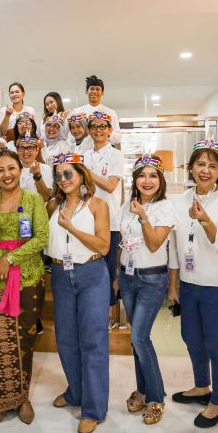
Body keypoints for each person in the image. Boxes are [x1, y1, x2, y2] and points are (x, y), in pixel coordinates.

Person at [167, 140, 218, 428]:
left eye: (213, 166)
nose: (205, 170)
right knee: (191, 339)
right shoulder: (180, 200)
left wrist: (205, 220)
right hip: (190, 283)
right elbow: (175, 246)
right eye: (200, 163)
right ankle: (202, 388)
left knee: (216, 344)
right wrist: (173, 285)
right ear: (190, 167)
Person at [0, 150, 48, 426]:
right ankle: (3, 401)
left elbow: (41, 238)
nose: (7, 174)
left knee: (24, 339)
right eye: (0, 170)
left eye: (11, 168)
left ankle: (22, 398)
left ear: (20, 170)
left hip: (28, 278)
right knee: (0, 340)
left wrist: (10, 259)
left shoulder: (33, 200)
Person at [46, 153, 111, 433]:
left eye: (68, 173)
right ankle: (76, 392)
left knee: (93, 342)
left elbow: (104, 246)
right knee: (66, 339)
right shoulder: (52, 205)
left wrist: (71, 227)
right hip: (61, 274)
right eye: (58, 175)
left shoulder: (97, 205)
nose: (63, 179)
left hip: (91, 274)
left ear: (82, 175)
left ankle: (93, 409)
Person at [118, 155, 177, 425]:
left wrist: (143, 217)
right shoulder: (126, 206)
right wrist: (118, 275)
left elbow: (154, 244)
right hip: (128, 277)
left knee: (140, 338)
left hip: (152, 280)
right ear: (135, 180)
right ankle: (142, 390)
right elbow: (122, 242)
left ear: (161, 180)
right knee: (136, 339)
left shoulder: (165, 207)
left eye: (153, 176)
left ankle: (156, 397)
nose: (147, 181)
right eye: (142, 175)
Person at [84, 111, 124, 314]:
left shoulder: (116, 155)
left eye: (102, 126)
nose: (98, 130)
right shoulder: (85, 156)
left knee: (108, 271)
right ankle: (92, 311)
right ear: (89, 131)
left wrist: (87, 173)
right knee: (89, 268)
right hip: (86, 221)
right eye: (94, 126)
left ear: (109, 130)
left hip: (111, 222)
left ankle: (107, 316)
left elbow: (110, 185)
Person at [72, 76, 121, 145]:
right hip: (83, 150)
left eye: (98, 89)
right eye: (92, 89)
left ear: (102, 92)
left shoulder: (110, 113)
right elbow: (71, 137)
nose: (94, 91)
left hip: (104, 150)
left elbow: (117, 139)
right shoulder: (77, 112)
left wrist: (106, 128)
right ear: (86, 91)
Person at [16, 136, 53, 201]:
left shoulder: (45, 168)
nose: (26, 151)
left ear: (37, 150)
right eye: (22, 148)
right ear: (17, 151)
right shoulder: (14, 169)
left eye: (30, 148)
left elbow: (46, 197)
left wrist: (37, 176)